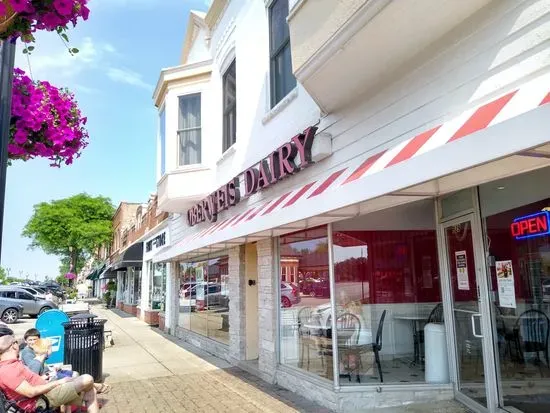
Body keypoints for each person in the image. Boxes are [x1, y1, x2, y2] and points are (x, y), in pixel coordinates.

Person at [0, 333, 100, 413]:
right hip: (40, 400)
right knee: (87, 379)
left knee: (91, 391)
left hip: (46, 392)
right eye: (16, 342)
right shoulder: (7, 370)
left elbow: (32, 381)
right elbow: (30, 392)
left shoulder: (14, 364)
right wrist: (58, 382)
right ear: (13, 346)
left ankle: (95, 387)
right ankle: (97, 386)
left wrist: (49, 377)